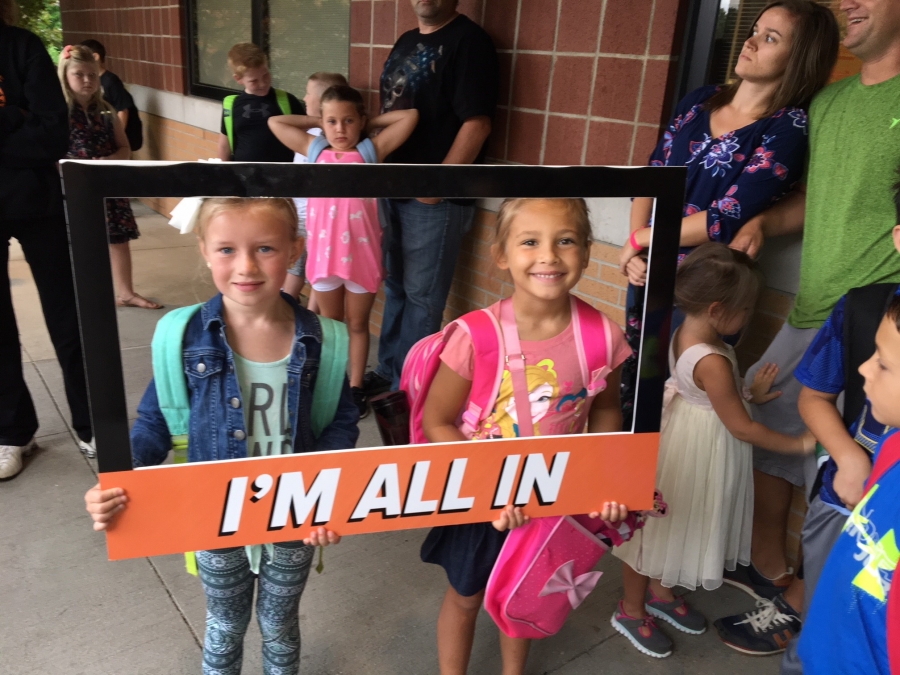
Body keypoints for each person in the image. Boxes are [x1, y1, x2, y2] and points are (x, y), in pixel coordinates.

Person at [84, 197, 359, 674]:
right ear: (205, 250)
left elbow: (338, 423)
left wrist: (326, 498)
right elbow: (155, 422)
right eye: (227, 249)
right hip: (214, 517)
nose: (246, 266)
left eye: (266, 248)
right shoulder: (184, 336)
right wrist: (118, 479)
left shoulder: (325, 339)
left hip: (294, 516)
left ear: (295, 250)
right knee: (225, 623)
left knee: (279, 623)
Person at [716, 0, 900, 655]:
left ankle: (812, 614)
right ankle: (776, 573)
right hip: (814, 311)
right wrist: (768, 222)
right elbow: (819, 196)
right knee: (772, 435)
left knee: (850, 484)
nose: (848, 2)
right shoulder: (828, 105)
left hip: (877, 329)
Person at [419, 198, 633, 675]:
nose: (549, 256)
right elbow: (438, 420)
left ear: (588, 250)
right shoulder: (476, 336)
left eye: (566, 240)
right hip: (481, 502)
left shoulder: (604, 338)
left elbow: (606, 410)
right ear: (501, 254)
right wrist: (486, 487)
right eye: (530, 241)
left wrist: (606, 480)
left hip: (554, 498)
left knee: (529, 596)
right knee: (466, 598)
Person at [617, 0, 840, 429]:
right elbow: (652, 173)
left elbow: (726, 218)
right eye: (754, 29)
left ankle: (668, 495)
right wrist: (635, 247)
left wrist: (641, 239)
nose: (750, 41)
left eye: (770, 38)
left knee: (687, 398)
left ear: (799, 58)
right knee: (639, 382)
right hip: (648, 271)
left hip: (708, 286)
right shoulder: (701, 100)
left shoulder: (786, 127)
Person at [611, 244, 814, 658]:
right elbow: (742, 426)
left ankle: (660, 592)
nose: (749, 316)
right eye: (747, 309)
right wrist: (800, 443)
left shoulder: (687, 330)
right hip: (697, 449)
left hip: (688, 437)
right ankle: (631, 609)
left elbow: (707, 395)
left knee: (672, 523)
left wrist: (747, 392)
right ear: (719, 310)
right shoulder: (713, 359)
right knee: (653, 533)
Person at [363, 0, 499, 398]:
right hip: (392, 189)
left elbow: (478, 123)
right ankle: (390, 371)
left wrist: (436, 189)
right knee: (397, 288)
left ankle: (405, 388)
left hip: (433, 200)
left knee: (423, 299)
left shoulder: (470, 42)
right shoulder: (405, 40)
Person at [269, 85, 418, 417]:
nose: (340, 129)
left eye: (349, 121)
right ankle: (327, 383)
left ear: (360, 122)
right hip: (325, 258)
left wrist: (368, 123)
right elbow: (276, 122)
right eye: (332, 121)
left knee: (357, 323)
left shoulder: (370, 151)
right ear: (322, 124)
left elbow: (410, 116)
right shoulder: (314, 148)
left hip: (363, 260)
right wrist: (318, 120)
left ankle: (354, 388)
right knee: (330, 323)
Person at [0, 7, 94, 478]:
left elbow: (52, 133)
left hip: (37, 201)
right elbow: (28, 130)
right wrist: (12, 118)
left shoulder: (22, 47)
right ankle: (14, 432)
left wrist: (20, 123)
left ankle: (91, 422)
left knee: (66, 314)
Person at [796, 292, 900, 674]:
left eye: (884, 365)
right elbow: (813, 397)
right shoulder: (864, 305)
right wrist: (850, 456)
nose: (865, 369)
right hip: (840, 502)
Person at [59, 44, 161, 310]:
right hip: (76, 189)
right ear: (65, 77)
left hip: (108, 186)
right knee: (82, 242)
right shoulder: (59, 114)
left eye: (92, 75)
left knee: (118, 241)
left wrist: (110, 160)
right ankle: (87, 294)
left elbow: (125, 147)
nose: (86, 80)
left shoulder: (106, 111)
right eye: (79, 74)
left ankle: (126, 292)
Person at [284, 71, 349, 309]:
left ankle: (286, 314)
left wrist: (319, 118)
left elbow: (278, 122)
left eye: (308, 94)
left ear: (321, 101)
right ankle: (309, 316)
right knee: (315, 274)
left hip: (307, 216)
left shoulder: (317, 139)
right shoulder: (316, 134)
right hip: (312, 216)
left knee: (297, 272)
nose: (303, 98)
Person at [216, 43, 305, 163]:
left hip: (283, 175)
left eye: (266, 75)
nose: (263, 83)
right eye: (254, 81)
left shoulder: (287, 101)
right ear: (238, 79)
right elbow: (224, 146)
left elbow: (307, 138)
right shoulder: (231, 105)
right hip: (244, 177)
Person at [78, 38, 142, 152]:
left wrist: (116, 139)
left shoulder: (110, 81)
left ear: (95, 57)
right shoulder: (92, 82)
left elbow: (123, 111)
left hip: (119, 139)